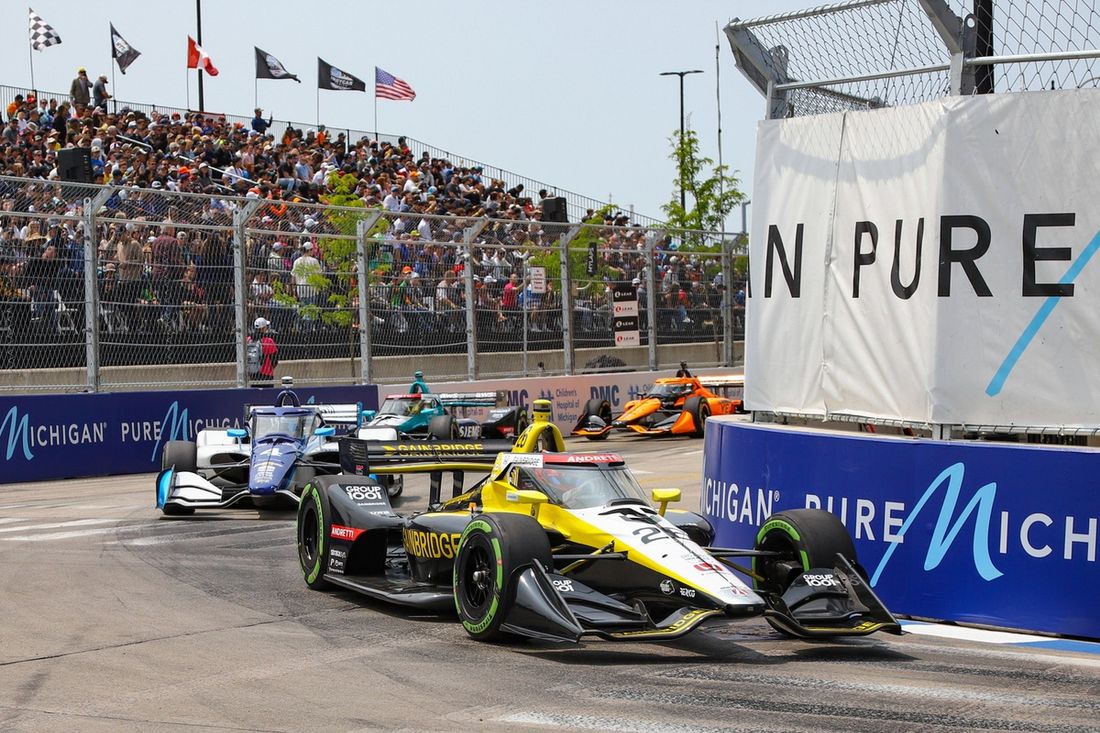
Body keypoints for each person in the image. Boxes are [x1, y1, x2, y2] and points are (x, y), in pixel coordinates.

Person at [247, 317, 278, 387]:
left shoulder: (248, 340)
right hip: (266, 373)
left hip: (253, 374)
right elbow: (275, 360)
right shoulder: (268, 341)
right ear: (263, 328)